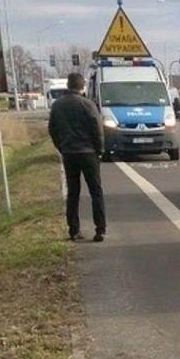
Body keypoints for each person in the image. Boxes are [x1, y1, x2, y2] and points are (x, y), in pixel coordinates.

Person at [48, 71, 106, 242]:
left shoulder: (57, 105)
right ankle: (100, 230)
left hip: (69, 153)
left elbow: (52, 129)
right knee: (96, 192)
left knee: (73, 192)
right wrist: (100, 149)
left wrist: (61, 146)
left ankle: (74, 230)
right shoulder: (88, 105)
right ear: (82, 86)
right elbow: (97, 128)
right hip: (88, 153)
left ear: (68, 85)